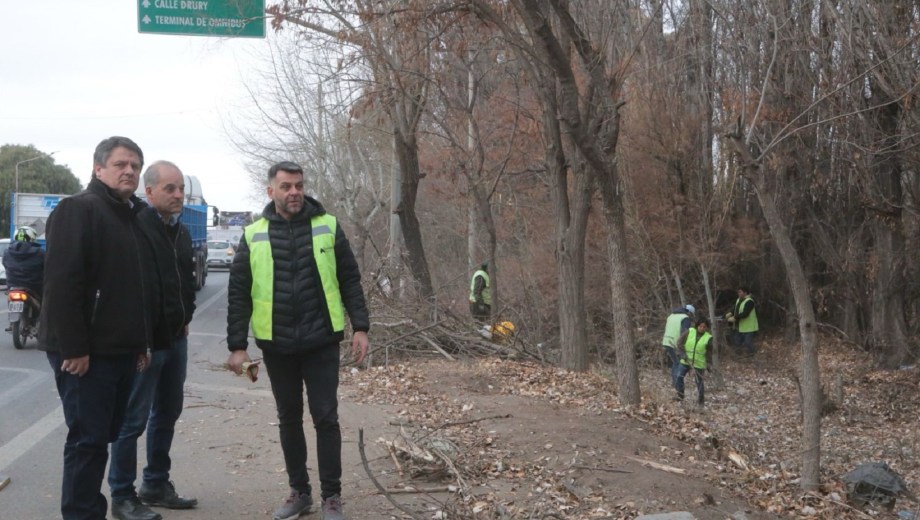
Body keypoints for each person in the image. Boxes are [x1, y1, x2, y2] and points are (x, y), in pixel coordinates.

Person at [225, 161, 370, 520]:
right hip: (277, 343)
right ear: (270, 191)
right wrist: (237, 346)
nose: (294, 192)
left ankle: (332, 497)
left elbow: (350, 279)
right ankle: (300, 493)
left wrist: (361, 327)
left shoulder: (327, 226)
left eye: (299, 186)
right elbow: (239, 293)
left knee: (326, 418)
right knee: (288, 418)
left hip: (321, 340)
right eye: (286, 186)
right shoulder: (253, 234)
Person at [39, 136, 160, 520]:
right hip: (86, 353)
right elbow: (62, 284)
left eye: (135, 166)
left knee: (103, 436)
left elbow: (135, 288)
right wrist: (74, 348)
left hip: (119, 349)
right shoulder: (78, 209)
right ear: (98, 168)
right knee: (87, 441)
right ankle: (81, 513)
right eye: (121, 164)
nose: (129, 171)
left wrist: (141, 343)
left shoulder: (131, 216)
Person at [108, 161, 198, 520]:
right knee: (132, 421)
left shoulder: (181, 231)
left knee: (168, 412)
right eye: (170, 189)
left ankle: (156, 484)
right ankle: (122, 495)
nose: (178, 195)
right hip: (146, 342)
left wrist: (186, 316)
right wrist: (141, 338)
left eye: (181, 189)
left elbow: (186, 281)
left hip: (176, 339)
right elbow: (132, 289)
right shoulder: (137, 227)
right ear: (149, 192)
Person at [675, 318, 713, 406]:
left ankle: (701, 401)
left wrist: (708, 364)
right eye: (700, 326)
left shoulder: (708, 338)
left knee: (699, 382)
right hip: (685, 360)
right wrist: (683, 354)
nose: (702, 328)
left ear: (706, 328)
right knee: (679, 377)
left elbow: (709, 352)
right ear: (697, 326)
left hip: (699, 363)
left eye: (704, 327)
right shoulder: (689, 331)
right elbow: (679, 343)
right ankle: (680, 395)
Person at [2, 225, 45, 296]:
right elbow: (47, 268)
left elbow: (5, 265)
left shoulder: (7, 252)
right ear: (32, 237)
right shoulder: (39, 253)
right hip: (35, 288)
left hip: (12, 288)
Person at [660, 304, 694, 387]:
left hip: (667, 341)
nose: (691, 317)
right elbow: (684, 333)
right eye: (692, 315)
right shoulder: (685, 318)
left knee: (675, 362)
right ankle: (677, 384)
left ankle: (674, 382)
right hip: (676, 343)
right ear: (689, 312)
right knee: (678, 363)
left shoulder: (671, 316)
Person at [725, 286, 759, 357]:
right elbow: (736, 309)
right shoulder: (739, 300)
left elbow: (745, 313)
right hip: (740, 326)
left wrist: (734, 317)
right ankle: (738, 355)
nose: (738, 293)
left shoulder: (749, 301)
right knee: (737, 341)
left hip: (749, 327)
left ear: (745, 292)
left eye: (740, 292)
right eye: (738, 292)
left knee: (748, 342)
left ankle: (752, 354)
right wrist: (730, 313)